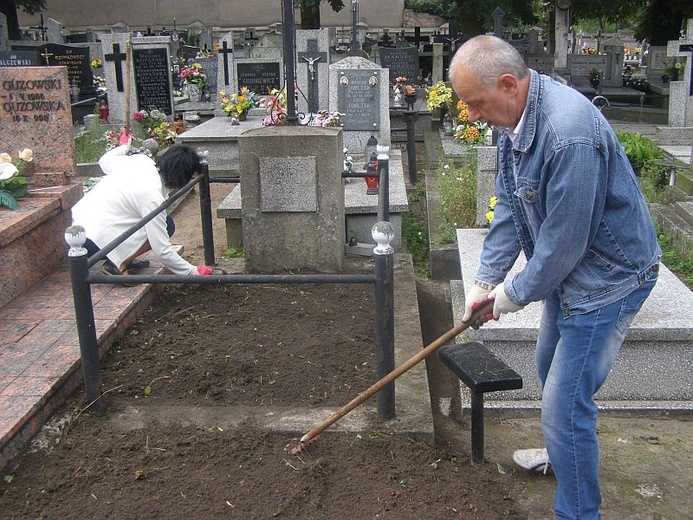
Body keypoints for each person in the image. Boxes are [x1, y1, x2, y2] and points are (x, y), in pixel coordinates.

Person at [451, 35, 660, 520]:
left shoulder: (569, 134)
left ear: (507, 84)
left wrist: (510, 297)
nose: (473, 115)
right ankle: (564, 455)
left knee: (564, 405)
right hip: (572, 273)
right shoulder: (515, 119)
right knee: (550, 373)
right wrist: (485, 283)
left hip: (610, 279)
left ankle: (579, 511)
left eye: (475, 104)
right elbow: (508, 206)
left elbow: (564, 243)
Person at [72, 129, 213, 278]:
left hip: (77, 228)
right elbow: (162, 250)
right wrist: (193, 271)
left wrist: (124, 146)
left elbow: (104, 161)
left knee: (159, 222)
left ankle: (126, 257)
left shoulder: (141, 161)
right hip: (92, 244)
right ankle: (116, 264)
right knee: (166, 225)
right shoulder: (152, 196)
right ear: (181, 176)